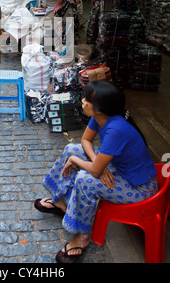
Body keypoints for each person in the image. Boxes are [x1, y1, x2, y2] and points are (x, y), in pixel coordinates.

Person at [34, 80, 158, 263]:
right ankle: (62, 202)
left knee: (85, 179)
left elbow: (93, 171)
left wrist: (83, 163)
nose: (82, 100)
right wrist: (97, 164)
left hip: (140, 188)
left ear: (99, 108)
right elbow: (85, 141)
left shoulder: (116, 128)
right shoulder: (99, 117)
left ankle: (82, 236)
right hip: (117, 168)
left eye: (87, 100)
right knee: (71, 149)